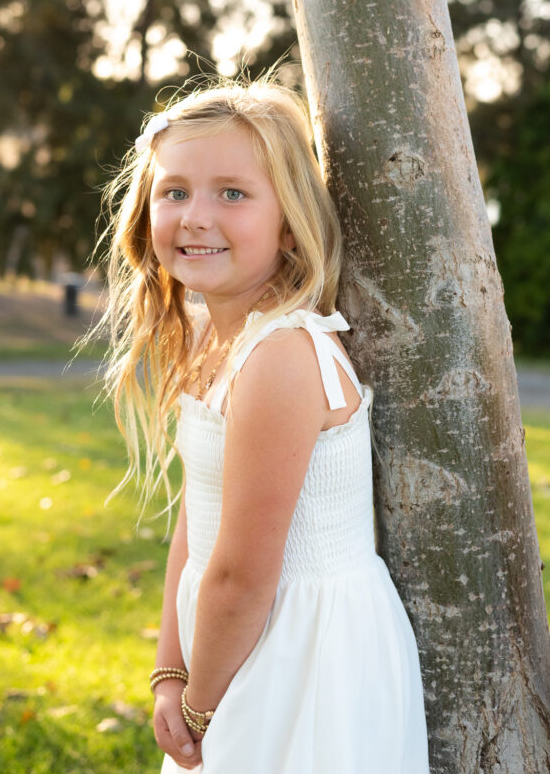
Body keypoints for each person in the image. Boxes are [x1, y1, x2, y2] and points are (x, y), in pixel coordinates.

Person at [87, 81, 431, 772]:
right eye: (174, 191)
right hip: (228, 645)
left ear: (288, 218)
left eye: (232, 194)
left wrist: (201, 705)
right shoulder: (213, 339)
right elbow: (200, 512)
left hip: (293, 657)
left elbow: (243, 576)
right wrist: (169, 671)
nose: (194, 217)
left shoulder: (281, 356)